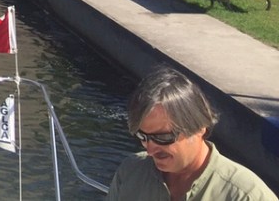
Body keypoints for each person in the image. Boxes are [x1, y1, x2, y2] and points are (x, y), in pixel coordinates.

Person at [107, 66, 277, 200]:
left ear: (199, 127)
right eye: (143, 137)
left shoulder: (247, 195)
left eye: (163, 137)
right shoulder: (130, 171)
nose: (150, 150)